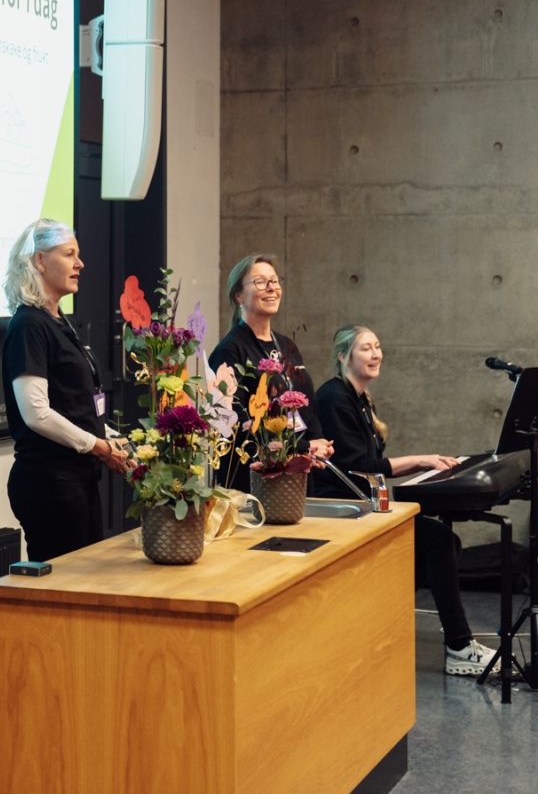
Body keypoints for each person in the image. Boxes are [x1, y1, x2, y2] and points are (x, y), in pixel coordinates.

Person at [0, 219, 130, 733]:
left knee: (73, 597)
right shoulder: (29, 324)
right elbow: (35, 413)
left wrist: (110, 440)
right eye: (69, 254)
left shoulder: (59, 322)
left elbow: (77, 405)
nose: (80, 263)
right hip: (49, 482)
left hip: (75, 478)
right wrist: (96, 444)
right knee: (54, 600)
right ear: (38, 262)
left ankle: (53, 696)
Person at [314, 325, 498, 676]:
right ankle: (459, 648)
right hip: (341, 513)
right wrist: (421, 460)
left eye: (378, 347)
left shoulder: (360, 399)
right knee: (440, 541)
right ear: (343, 356)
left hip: (364, 507)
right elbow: (357, 467)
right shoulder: (334, 397)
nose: (375, 354)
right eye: (366, 348)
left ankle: (384, 627)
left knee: (445, 543)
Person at [207, 253, 333, 490]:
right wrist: (304, 447)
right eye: (260, 282)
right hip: (257, 478)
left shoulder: (287, 346)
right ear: (238, 296)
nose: (271, 288)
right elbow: (232, 422)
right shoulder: (230, 351)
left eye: (275, 281)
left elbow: (308, 405)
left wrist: (317, 442)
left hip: (299, 469)